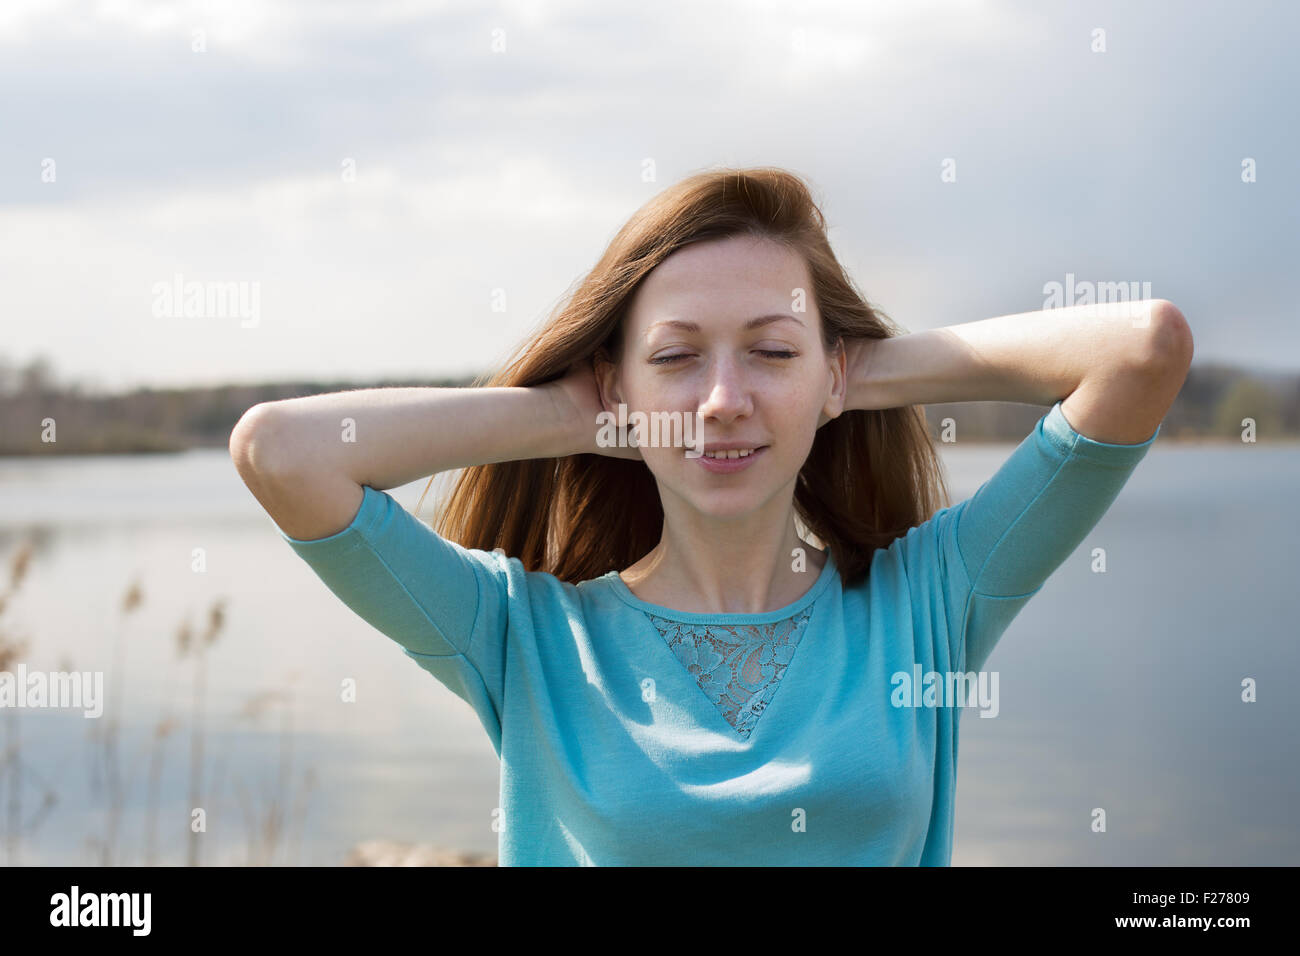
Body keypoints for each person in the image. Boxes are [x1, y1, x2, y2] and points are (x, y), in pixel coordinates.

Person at [229, 167, 1193, 865]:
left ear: (834, 374)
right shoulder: (526, 635)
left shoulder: (927, 604)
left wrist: (847, 371)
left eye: (769, 354)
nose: (723, 399)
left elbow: (1143, 350)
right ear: (618, 382)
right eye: (678, 356)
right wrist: (573, 413)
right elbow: (282, 452)